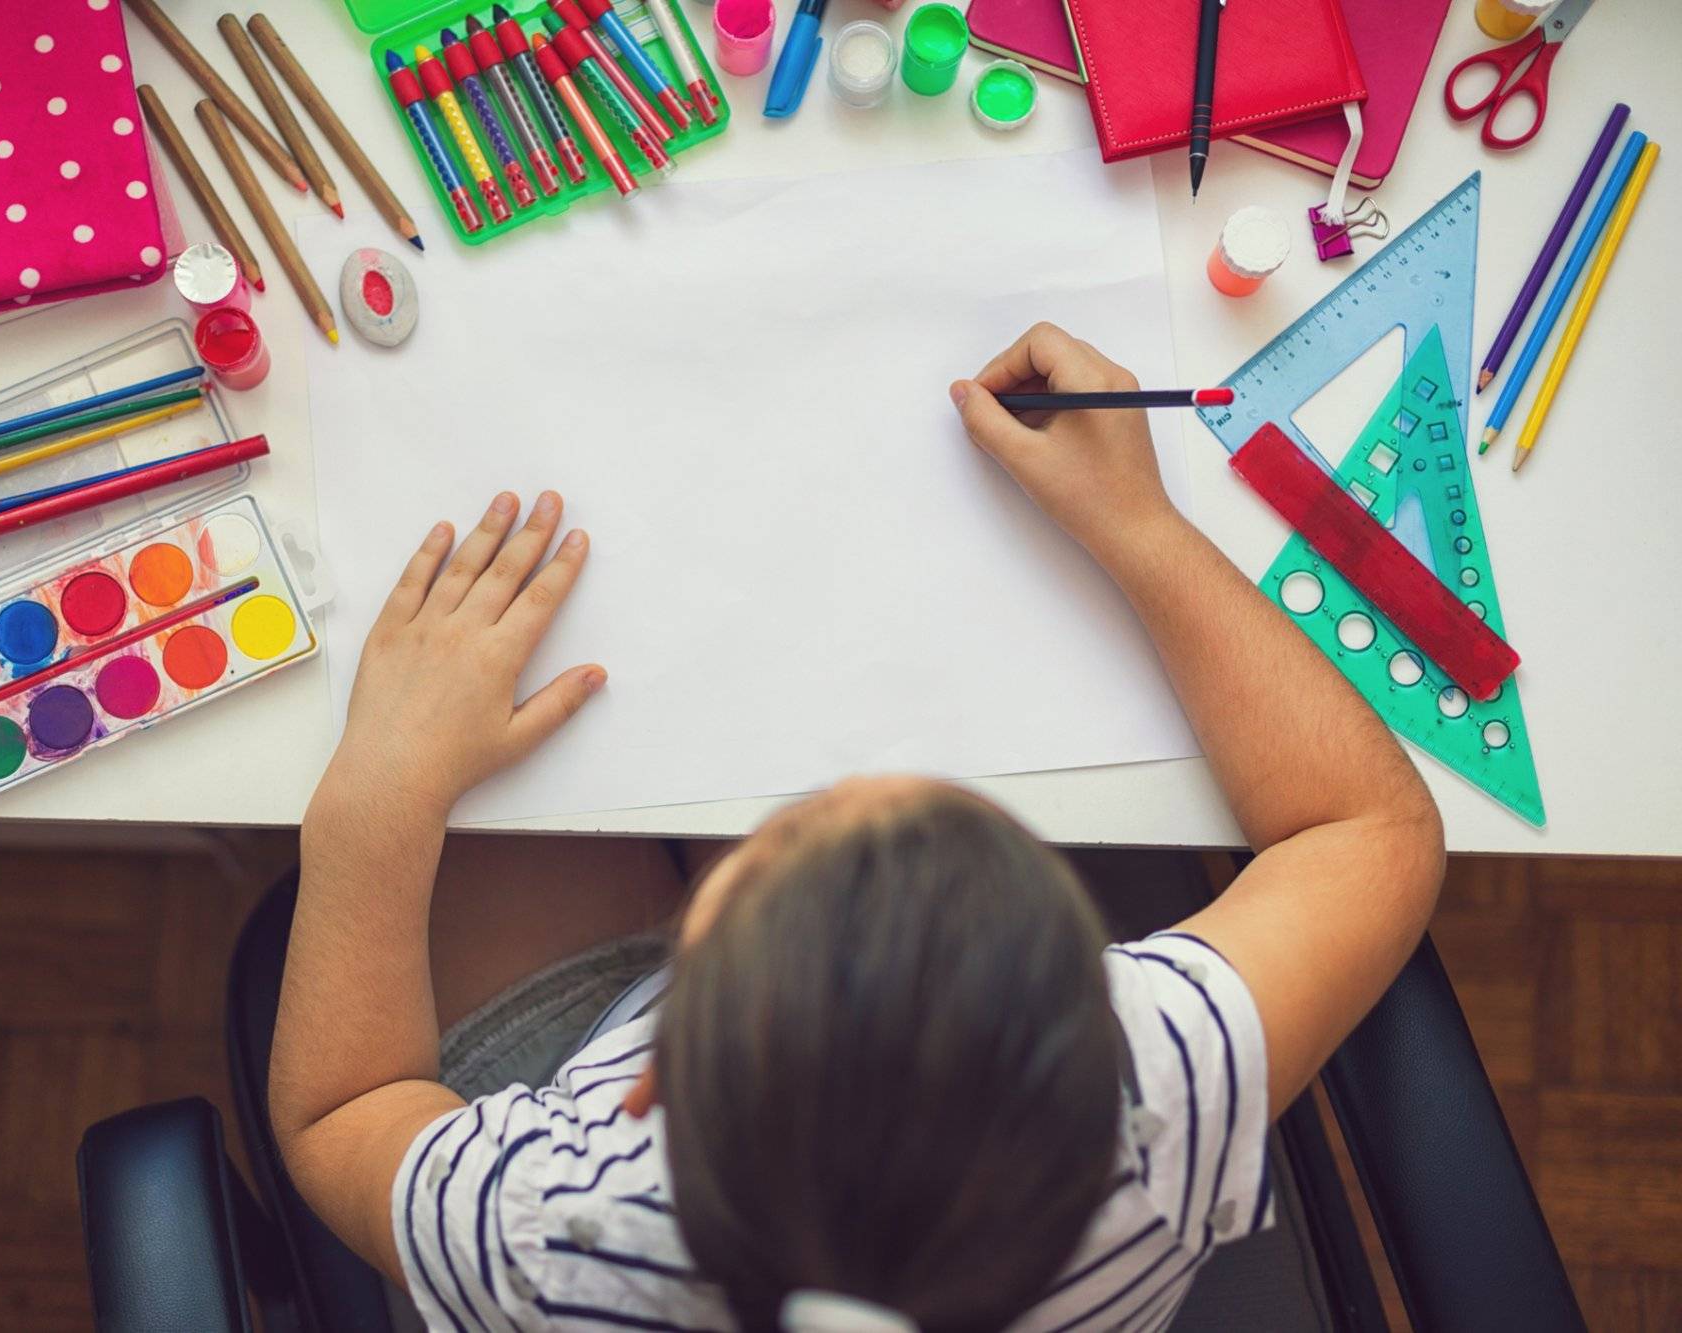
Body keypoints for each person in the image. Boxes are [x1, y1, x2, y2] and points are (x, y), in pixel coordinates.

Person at [270, 324, 1446, 1331]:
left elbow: (341, 1116)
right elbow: (1368, 831)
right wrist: (1138, 522)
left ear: (651, 1088)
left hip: (579, 1064)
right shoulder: (1154, 1110)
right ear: (1103, 1015)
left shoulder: (549, 1232)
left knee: (486, 815)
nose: (818, 800)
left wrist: (373, 798)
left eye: (777, 848)